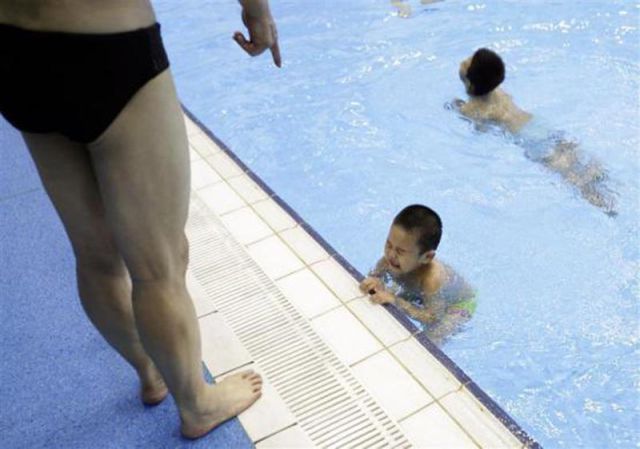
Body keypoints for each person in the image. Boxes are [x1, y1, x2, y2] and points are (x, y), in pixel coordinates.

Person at [0, 0, 280, 440]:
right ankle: (196, 404)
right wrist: (256, 9)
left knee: (95, 257)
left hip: (15, 50)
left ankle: (150, 371)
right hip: (108, 43)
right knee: (159, 266)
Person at [453, 48, 616, 215]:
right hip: (538, 124)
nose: (462, 61)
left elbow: (480, 129)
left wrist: (456, 107)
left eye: (466, 61)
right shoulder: (498, 91)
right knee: (571, 155)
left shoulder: (473, 108)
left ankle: (604, 205)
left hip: (528, 138)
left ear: (470, 82)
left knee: (569, 176)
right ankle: (600, 176)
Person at [359, 205, 476, 345]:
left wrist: (396, 301)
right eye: (389, 245)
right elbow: (376, 276)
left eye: (400, 251)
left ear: (426, 257)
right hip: (420, 293)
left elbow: (432, 317)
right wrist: (375, 280)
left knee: (432, 337)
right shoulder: (390, 260)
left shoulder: (432, 279)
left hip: (459, 304)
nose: (391, 255)